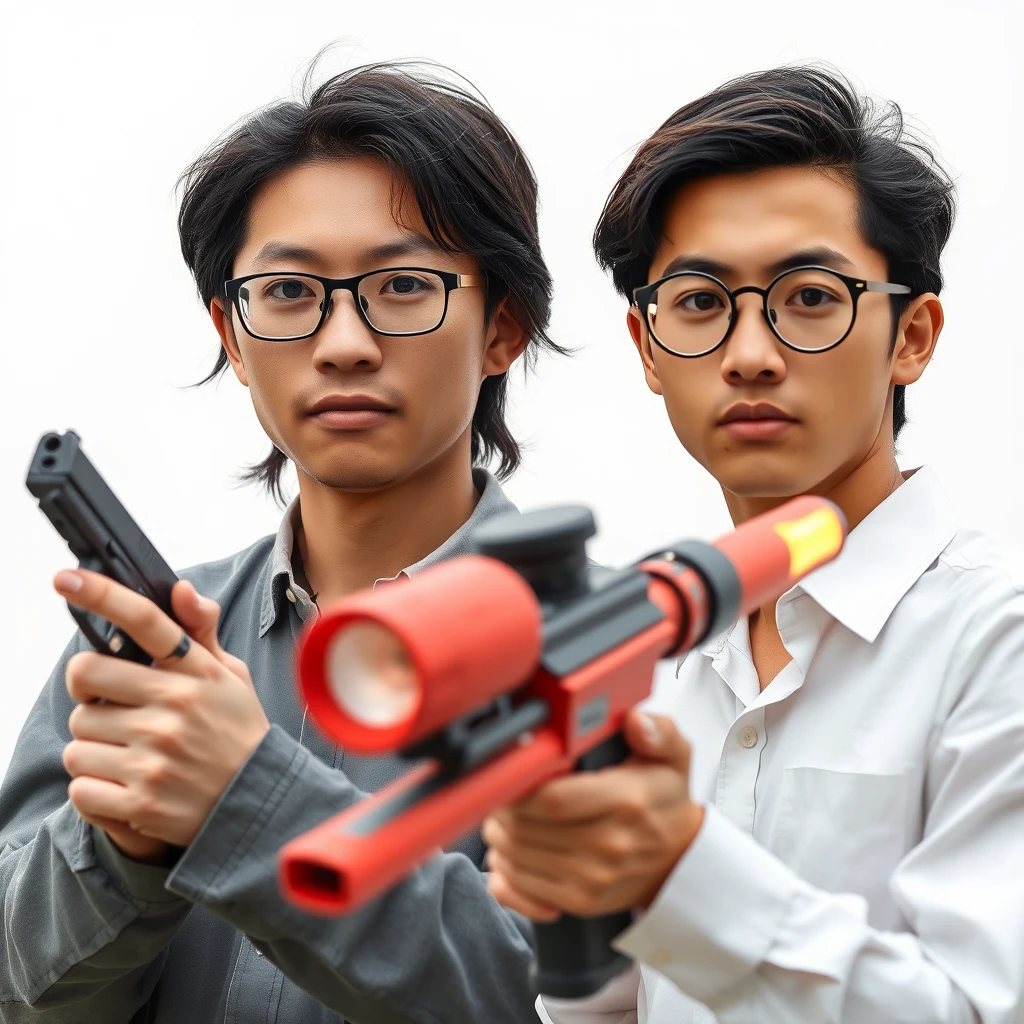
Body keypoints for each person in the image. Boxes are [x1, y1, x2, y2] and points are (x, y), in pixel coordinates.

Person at [0, 61, 560, 1023]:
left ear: (502, 327)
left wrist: (243, 795)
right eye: (290, 291)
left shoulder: (606, 647)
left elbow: (546, 997)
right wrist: (125, 848)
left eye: (402, 285)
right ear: (231, 332)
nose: (343, 341)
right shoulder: (149, 644)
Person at [484, 67, 1024, 1023]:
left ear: (913, 336)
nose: (750, 352)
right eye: (698, 302)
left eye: (809, 296)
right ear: (648, 349)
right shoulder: (653, 655)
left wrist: (676, 872)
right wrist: (580, 919)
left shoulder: (998, 637)